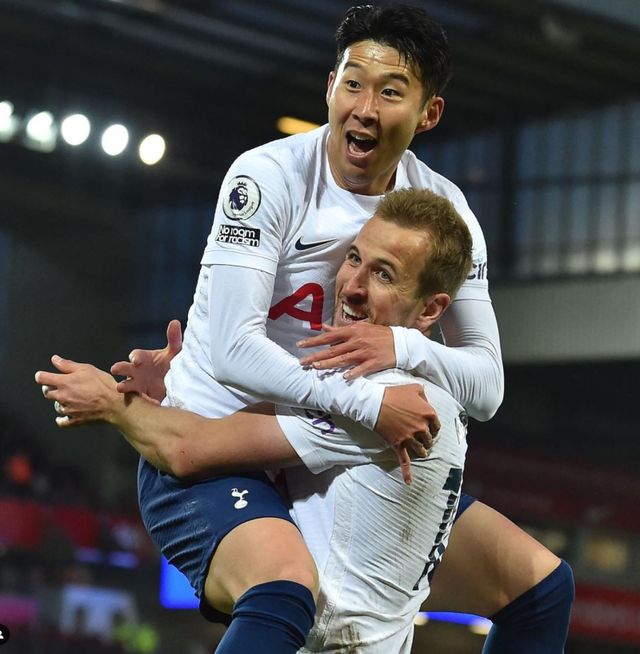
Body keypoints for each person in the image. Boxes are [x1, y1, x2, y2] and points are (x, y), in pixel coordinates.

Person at [40, 4, 573, 652]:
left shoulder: (441, 215)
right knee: (285, 589)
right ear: (329, 87)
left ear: (429, 113)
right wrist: (363, 403)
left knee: (541, 588)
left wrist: (398, 346)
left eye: (391, 92)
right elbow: (233, 351)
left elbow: (486, 387)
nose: (365, 108)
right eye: (353, 83)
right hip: (216, 443)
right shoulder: (268, 177)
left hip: (329, 446)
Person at [38, 188, 473, 652]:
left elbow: (187, 449)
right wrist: (179, 387)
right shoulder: (435, 392)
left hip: (325, 646)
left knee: (281, 589)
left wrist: (110, 402)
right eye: (353, 258)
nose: (352, 286)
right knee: (528, 589)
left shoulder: (383, 399)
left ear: (430, 309)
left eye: (384, 274)